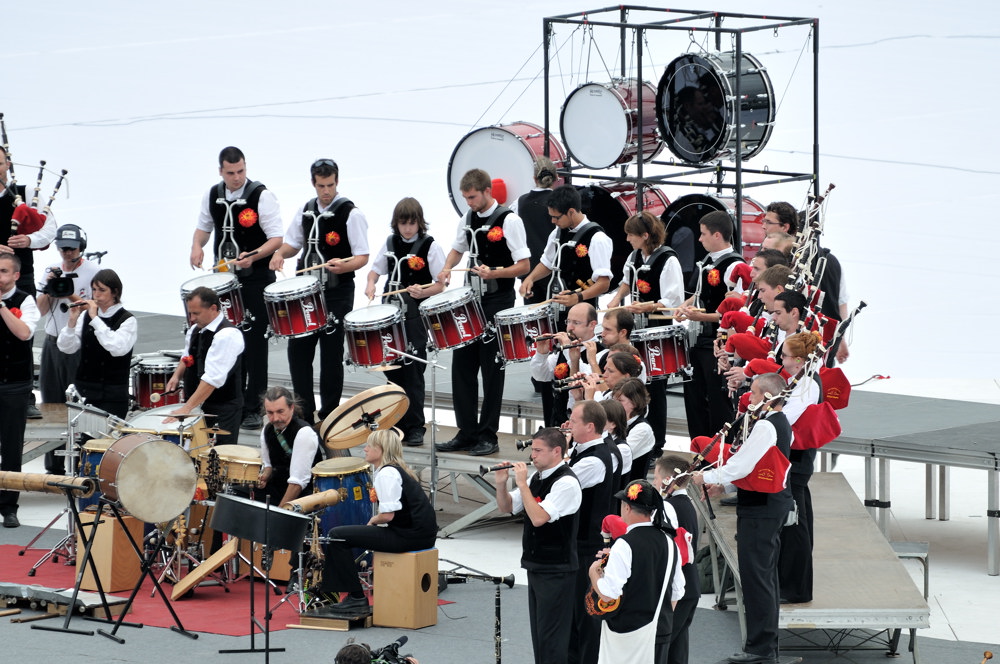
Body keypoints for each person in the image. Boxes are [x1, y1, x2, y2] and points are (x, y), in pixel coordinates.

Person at [692, 373, 794, 664]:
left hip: (760, 509)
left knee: (756, 578)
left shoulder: (764, 426)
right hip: (768, 504)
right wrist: (724, 486)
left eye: (753, 391)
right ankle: (765, 646)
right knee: (764, 577)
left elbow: (742, 464)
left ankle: (760, 649)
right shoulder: (782, 424)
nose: (749, 396)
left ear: (765, 395)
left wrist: (706, 475)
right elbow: (761, 467)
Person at [435, 169, 530, 456]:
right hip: (470, 300)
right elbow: (457, 248)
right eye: (465, 198)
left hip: (497, 300)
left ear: (487, 191)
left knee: (492, 369)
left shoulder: (509, 220)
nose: (469, 203)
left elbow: (524, 265)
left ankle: (488, 435)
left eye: (473, 197)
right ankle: (466, 432)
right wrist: (446, 268)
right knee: (461, 367)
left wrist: (495, 273)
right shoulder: (467, 218)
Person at [270, 158, 369, 423]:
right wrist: (281, 254)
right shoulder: (306, 209)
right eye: (321, 185)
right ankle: (303, 412)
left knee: (331, 355)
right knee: (298, 352)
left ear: (337, 182)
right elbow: (293, 243)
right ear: (313, 183)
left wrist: (342, 264)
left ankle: (329, 415)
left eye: (330, 185)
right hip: (306, 296)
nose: (326, 191)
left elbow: (362, 256)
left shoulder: (351, 213)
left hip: (337, 292)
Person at [191, 146, 283, 429]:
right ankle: (230, 401)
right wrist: (196, 247)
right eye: (230, 173)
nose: (236, 177)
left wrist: (253, 256)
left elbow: (276, 238)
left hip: (255, 278)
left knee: (255, 343)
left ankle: (255, 406)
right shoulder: (213, 194)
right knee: (226, 339)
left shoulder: (261, 196)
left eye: (240, 171)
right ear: (221, 171)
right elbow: (204, 228)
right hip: (224, 281)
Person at [319, 429, 437, 614]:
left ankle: (355, 597)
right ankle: (351, 594)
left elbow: (387, 515)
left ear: (381, 450)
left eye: (369, 446)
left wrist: (373, 520)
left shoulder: (387, 473)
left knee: (336, 536)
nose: (364, 449)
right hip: (419, 534)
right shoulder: (397, 470)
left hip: (408, 536)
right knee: (342, 535)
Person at [495, 427, 581, 664]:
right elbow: (507, 507)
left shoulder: (566, 483)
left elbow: (539, 518)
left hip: (557, 569)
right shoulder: (537, 478)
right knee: (541, 635)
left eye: (537, 450)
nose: (532, 455)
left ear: (556, 451)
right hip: (538, 565)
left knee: (552, 636)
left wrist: (522, 486)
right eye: (532, 450)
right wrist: (502, 484)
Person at [364, 197, 445, 446]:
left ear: (419, 223)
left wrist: (425, 291)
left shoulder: (430, 246)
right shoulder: (390, 243)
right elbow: (374, 271)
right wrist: (370, 283)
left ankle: (415, 426)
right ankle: (393, 422)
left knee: (413, 372)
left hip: (414, 317)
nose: (407, 228)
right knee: (392, 370)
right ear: (396, 224)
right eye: (403, 223)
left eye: (411, 223)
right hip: (390, 316)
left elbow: (441, 284)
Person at [588, 479, 684, 664]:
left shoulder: (624, 544)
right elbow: (677, 591)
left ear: (627, 508)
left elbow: (608, 594)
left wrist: (594, 573)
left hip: (626, 633)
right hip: (660, 630)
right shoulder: (669, 542)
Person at [675, 210, 746, 438]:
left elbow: (736, 315)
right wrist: (684, 307)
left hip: (718, 343)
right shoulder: (706, 260)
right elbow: (698, 295)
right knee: (694, 398)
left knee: (717, 400)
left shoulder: (735, 267)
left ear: (717, 235)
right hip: (697, 339)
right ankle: (698, 446)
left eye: (703, 234)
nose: (699, 238)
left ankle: (718, 450)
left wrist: (699, 317)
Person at [36, 224, 100, 472]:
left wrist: (71, 294)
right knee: (51, 401)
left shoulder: (94, 271)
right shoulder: (50, 272)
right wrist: (50, 289)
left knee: (79, 404)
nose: (66, 253)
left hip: (79, 342)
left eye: (71, 249)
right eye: (62, 248)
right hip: (53, 341)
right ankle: (53, 467)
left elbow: (99, 307)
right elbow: (41, 311)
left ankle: (82, 465)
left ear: (81, 248)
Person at [0, 145, 57, 421]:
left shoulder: (23, 194)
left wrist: (29, 240)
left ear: (8, 164)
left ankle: (24, 398)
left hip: (20, 277)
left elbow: (49, 229)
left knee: (23, 333)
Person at [518, 184, 612, 325]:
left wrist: (578, 297)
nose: (553, 221)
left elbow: (604, 283)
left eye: (556, 217)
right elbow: (547, 263)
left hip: (582, 312)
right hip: (558, 309)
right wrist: (530, 278)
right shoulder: (557, 233)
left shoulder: (597, 238)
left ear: (571, 212)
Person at [565, 400, 614, 664]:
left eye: (573, 421)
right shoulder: (588, 450)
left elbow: (559, 485)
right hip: (582, 541)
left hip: (586, 544)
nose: (568, 424)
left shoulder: (594, 460)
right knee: (576, 613)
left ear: (590, 426)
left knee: (585, 614)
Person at [776, 332, 823, 604]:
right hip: (798, 461)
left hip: (798, 461)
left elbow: (787, 418)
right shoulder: (802, 381)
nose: (780, 360)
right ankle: (792, 583)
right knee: (799, 522)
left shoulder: (807, 386)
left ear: (798, 360)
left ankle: (796, 588)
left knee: (796, 526)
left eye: (784, 356)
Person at [165, 286, 244, 445]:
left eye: (196, 313)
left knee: (217, 457)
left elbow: (212, 379)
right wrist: (176, 375)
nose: (192, 318)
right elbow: (187, 356)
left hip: (222, 407)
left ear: (213, 308)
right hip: (197, 404)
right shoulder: (195, 329)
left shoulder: (227, 335)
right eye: (190, 313)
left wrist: (186, 408)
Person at [56, 269, 136, 418]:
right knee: (83, 440)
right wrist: (71, 322)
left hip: (113, 395)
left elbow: (117, 348)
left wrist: (95, 318)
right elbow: (66, 347)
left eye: (102, 290)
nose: (96, 295)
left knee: (107, 440)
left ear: (115, 292)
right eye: (93, 289)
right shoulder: (86, 316)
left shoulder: (127, 320)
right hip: (84, 392)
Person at [0, 252, 40, 528]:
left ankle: (8, 506)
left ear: (15, 275)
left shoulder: (25, 300)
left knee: (12, 447)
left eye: (3, 271)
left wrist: (1, 307)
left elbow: (24, 333)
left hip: (15, 383)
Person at [654, 454, 701, 664]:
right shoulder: (687, 502)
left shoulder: (670, 507)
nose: (654, 482)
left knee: (661, 645)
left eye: (656, 477)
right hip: (691, 585)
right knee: (677, 648)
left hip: (678, 587)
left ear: (667, 479)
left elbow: (670, 549)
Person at [256, 386, 324, 507]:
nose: (275, 418)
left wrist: (280, 512)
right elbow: (269, 465)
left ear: (291, 408)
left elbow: (297, 483)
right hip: (277, 489)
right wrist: (265, 476)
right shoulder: (267, 430)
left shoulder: (304, 433)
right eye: (270, 413)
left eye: (280, 411)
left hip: (303, 496)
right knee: (235, 493)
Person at [513, 157, 558, 306]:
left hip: (528, 271)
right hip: (554, 271)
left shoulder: (519, 203)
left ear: (534, 178)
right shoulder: (561, 202)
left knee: (535, 322)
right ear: (556, 178)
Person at [612, 377, 656, 484]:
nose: (615, 404)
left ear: (634, 403)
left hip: (629, 490)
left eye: (620, 400)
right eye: (614, 400)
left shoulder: (642, 429)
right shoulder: (616, 420)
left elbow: (617, 458)